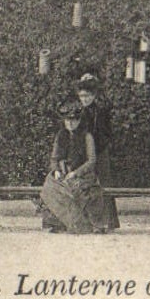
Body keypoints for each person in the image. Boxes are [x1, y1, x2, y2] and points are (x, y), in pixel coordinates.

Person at [39, 99, 109, 234]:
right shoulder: (60, 136)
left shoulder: (87, 137)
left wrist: (76, 173)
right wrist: (56, 171)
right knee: (50, 186)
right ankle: (58, 223)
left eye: (73, 120)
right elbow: (54, 158)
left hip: (83, 174)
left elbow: (91, 161)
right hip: (64, 172)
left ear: (79, 121)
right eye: (67, 120)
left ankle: (81, 224)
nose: (70, 123)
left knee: (75, 188)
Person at [76, 72, 120, 231]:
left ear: (94, 95)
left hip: (100, 151)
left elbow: (107, 131)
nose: (84, 99)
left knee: (104, 185)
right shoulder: (79, 113)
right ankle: (88, 221)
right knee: (85, 184)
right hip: (85, 154)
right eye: (81, 96)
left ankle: (108, 222)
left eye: (87, 96)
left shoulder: (101, 110)